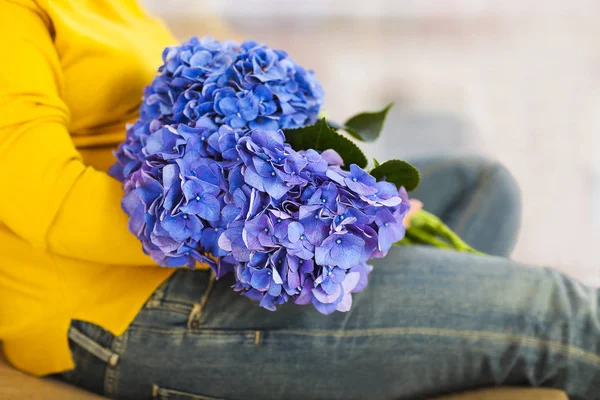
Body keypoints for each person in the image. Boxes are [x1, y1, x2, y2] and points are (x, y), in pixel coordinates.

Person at [0, 1, 598, 399]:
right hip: (111, 302)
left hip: (203, 238)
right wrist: (254, 232)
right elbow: (45, 200)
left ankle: (395, 340)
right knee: (557, 309)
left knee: (481, 186)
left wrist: (329, 182)